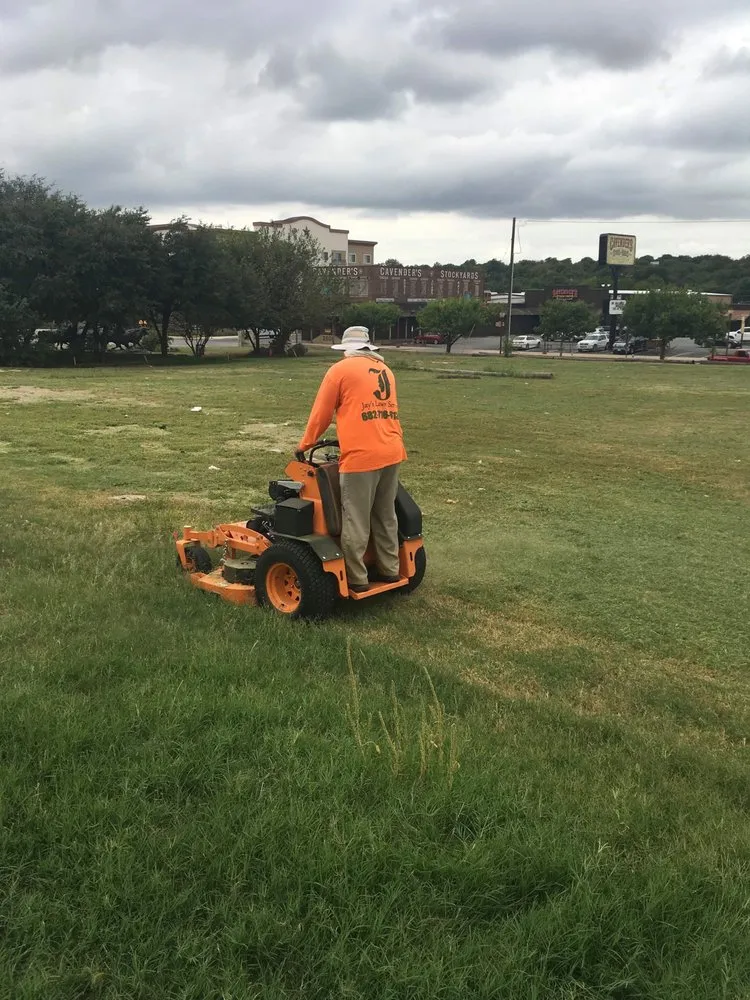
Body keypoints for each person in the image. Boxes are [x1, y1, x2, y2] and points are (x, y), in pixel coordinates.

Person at [297, 326, 407, 593]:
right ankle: (390, 570)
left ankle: (357, 578)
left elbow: (321, 415)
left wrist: (304, 445)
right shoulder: (385, 370)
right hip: (392, 450)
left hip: (361, 456)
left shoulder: (340, 370)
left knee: (355, 518)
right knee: (385, 515)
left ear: (346, 349)